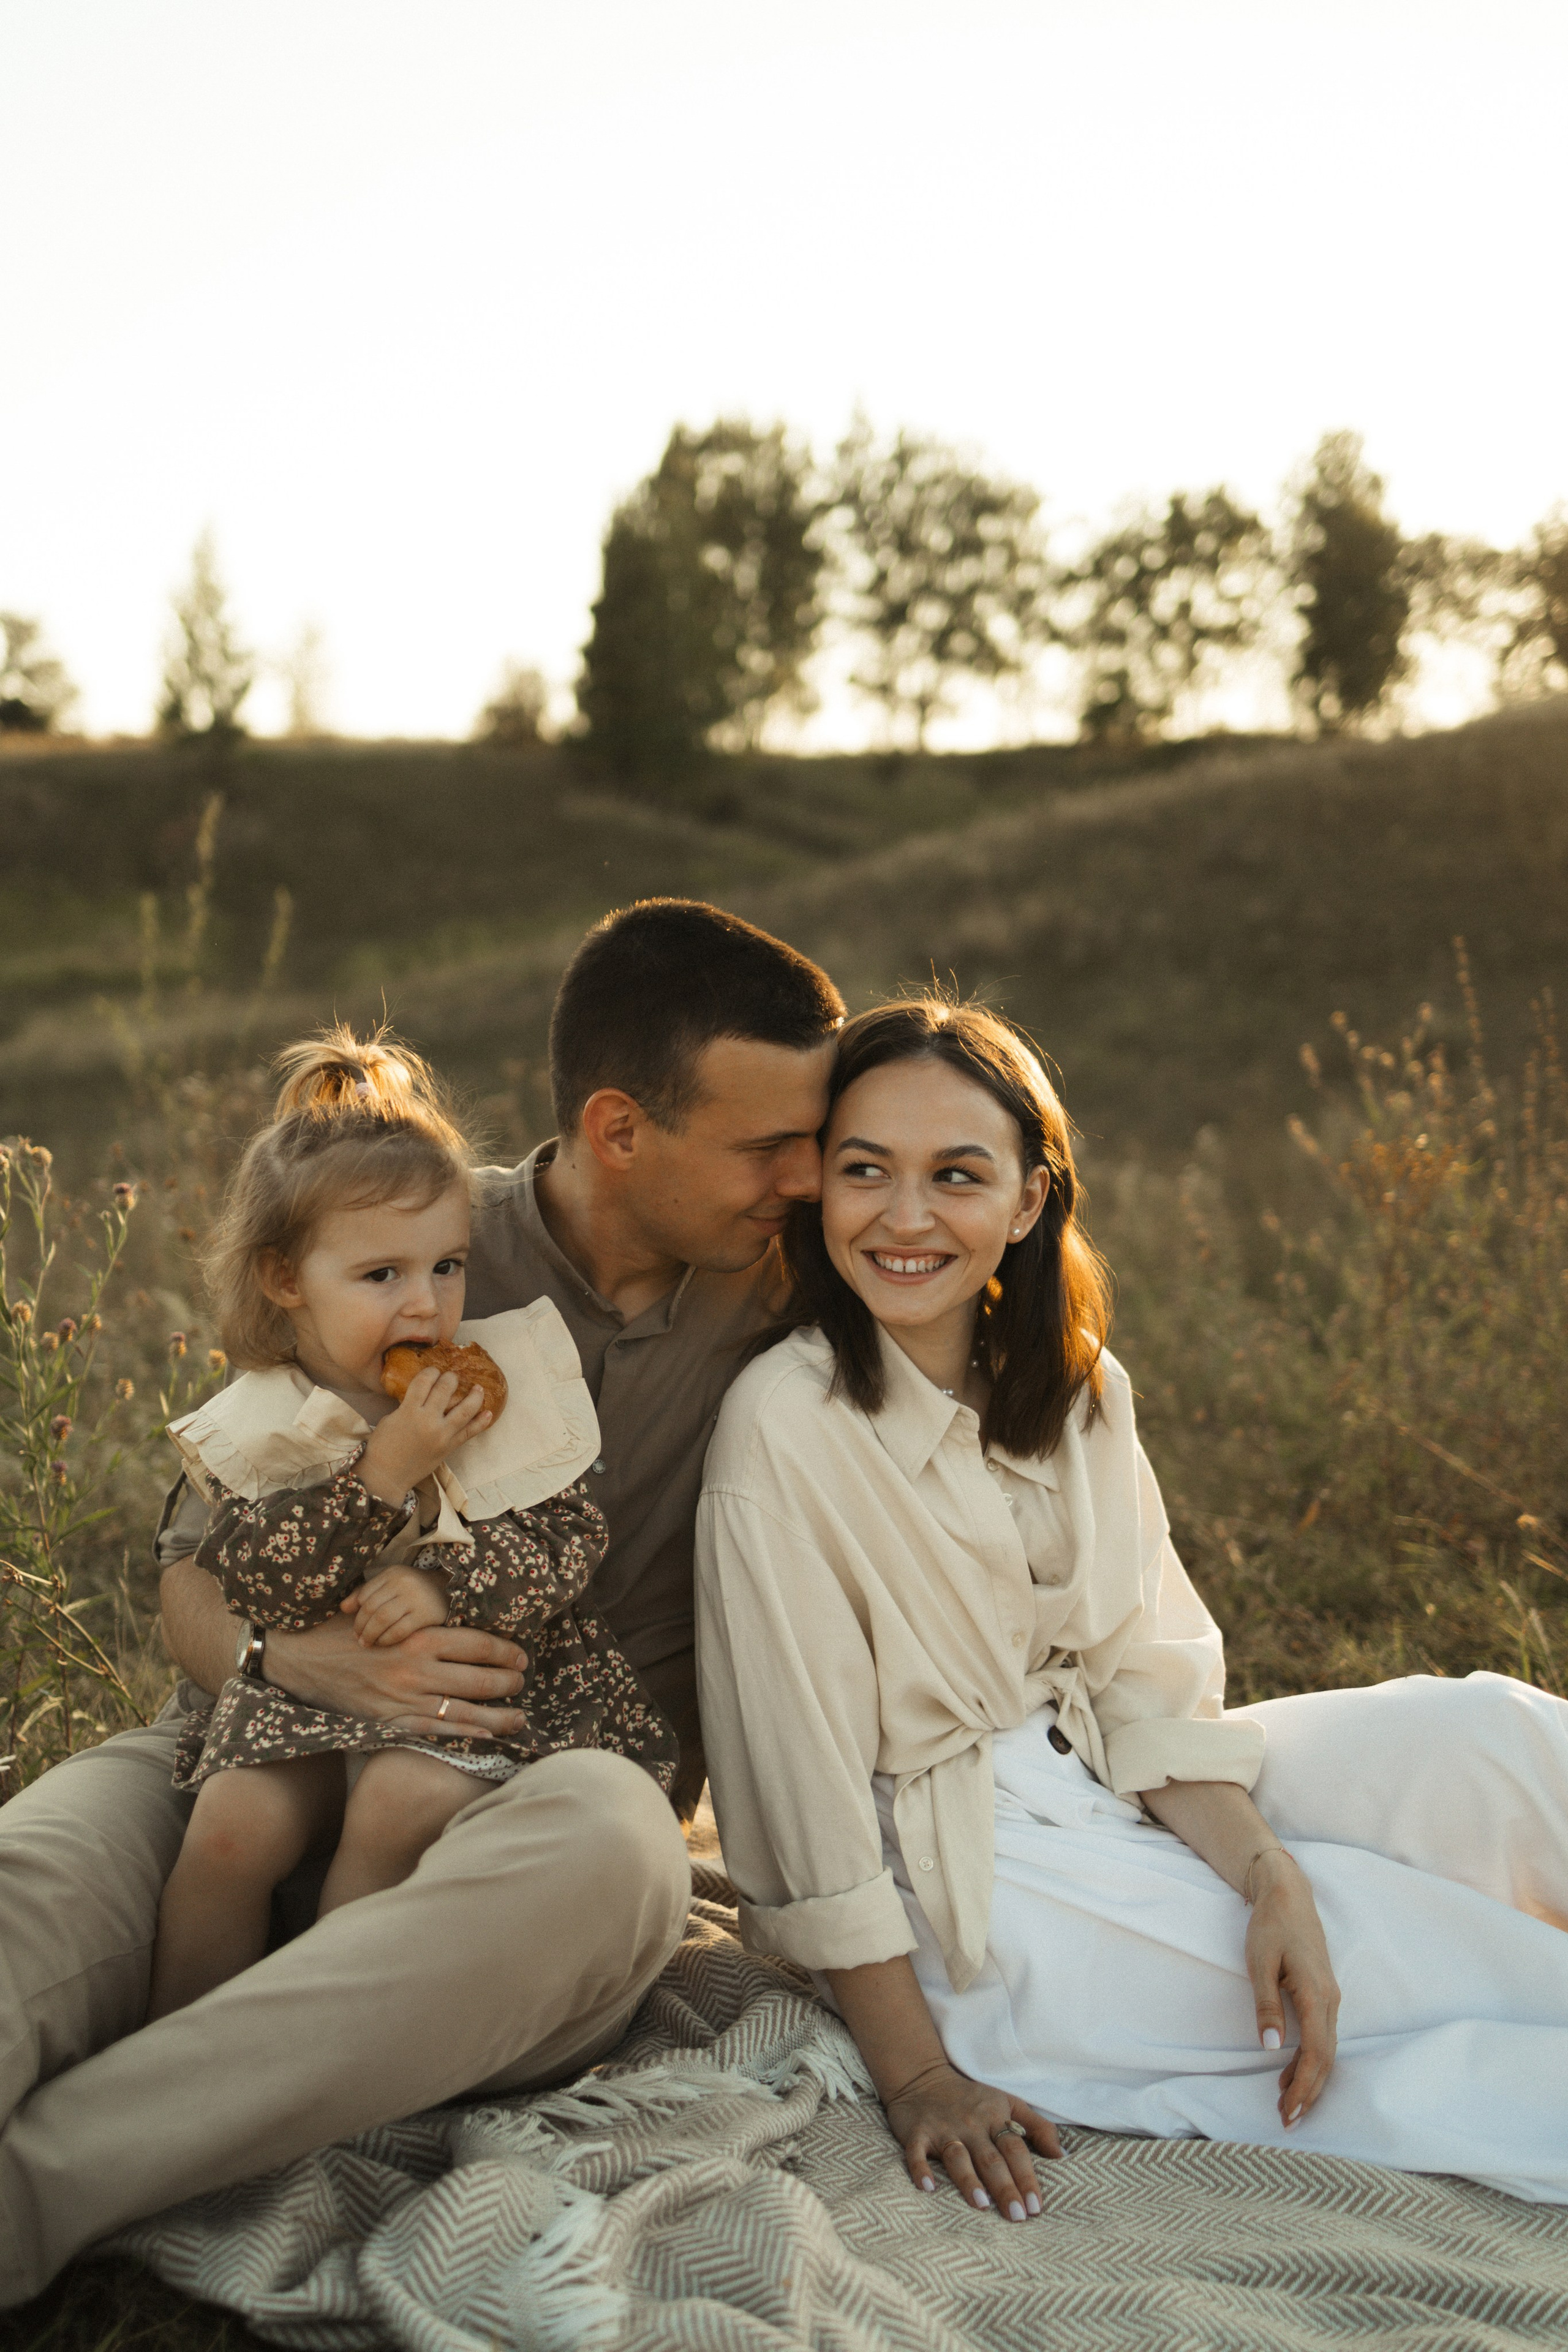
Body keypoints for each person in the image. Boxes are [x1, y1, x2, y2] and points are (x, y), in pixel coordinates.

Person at [0, 899, 844, 2307]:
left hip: (510, 1829)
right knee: (39, 1873)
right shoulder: (415, 1233)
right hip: (248, 1752)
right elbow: (189, 1570)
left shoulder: (797, 1294)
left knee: (623, 1844)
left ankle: (43, 2193)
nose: (806, 1180)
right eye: (769, 1146)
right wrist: (302, 1664)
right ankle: (207, 2076)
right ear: (620, 1129)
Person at [696, 996, 1568, 2222]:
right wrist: (917, 2076)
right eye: (863, 1172)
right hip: (968, 1885)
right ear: (820, 1191)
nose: (903, 1217)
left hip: (1108, 1775)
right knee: (1389, 1957)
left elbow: (1140, 1684)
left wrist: (1264, 1873)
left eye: (954, 1175)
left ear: (1027, 1201)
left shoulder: (1077, 1388)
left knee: (1495, 1739)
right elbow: (804, 1807)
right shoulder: (782, 1427)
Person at [149, 1030, 676, 2019]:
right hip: (309, 1699)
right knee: (230, 1828)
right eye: (381, 1276)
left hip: (473, 1698)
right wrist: (382, 1476)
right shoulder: (267, 1424)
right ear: (284, 1280)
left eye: (447, 1266)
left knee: (400, 1803)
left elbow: (566, 1548)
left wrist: (443, 1584)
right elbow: (260, 1588)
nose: (427, 1304)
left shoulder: (496, 1390)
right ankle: (173, 2045)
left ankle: (320, 2038)